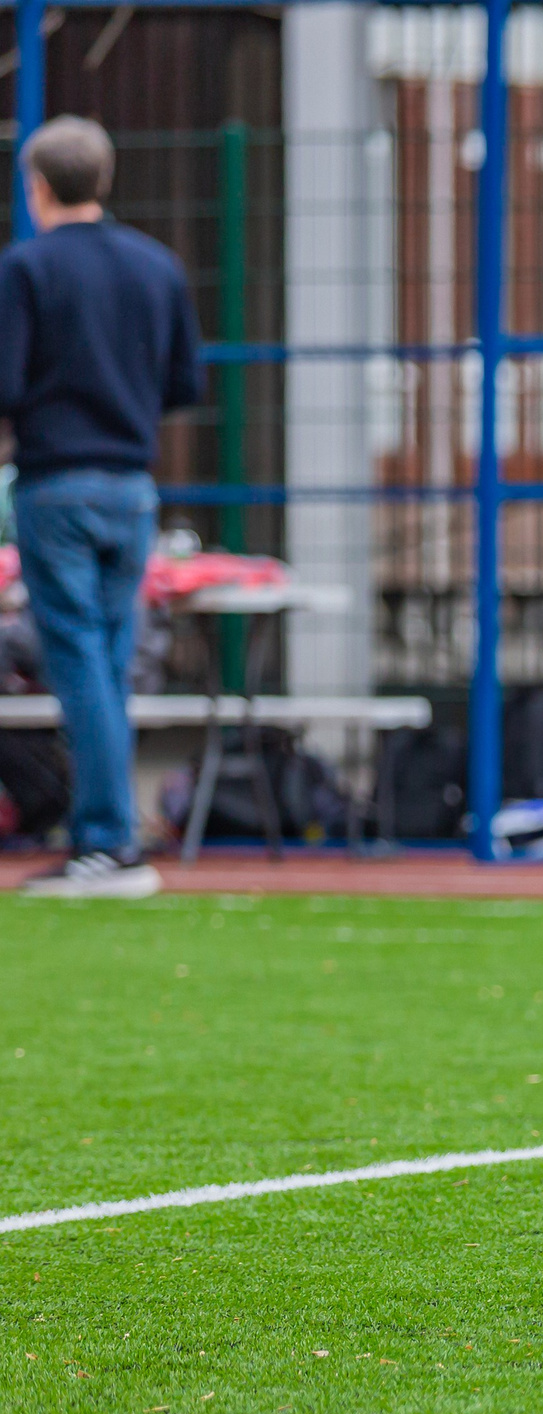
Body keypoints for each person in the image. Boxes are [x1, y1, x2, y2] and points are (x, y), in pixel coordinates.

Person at [3, 116, 201, 898]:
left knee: (78, 663)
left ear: (39, 186)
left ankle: (104, 842)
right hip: (131, 486)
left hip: (56, 483)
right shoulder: (157, 267)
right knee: (110, 665)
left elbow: (7, 383)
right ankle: (114, 836)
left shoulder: (27, 269)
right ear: (105, 178)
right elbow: (185, 384)